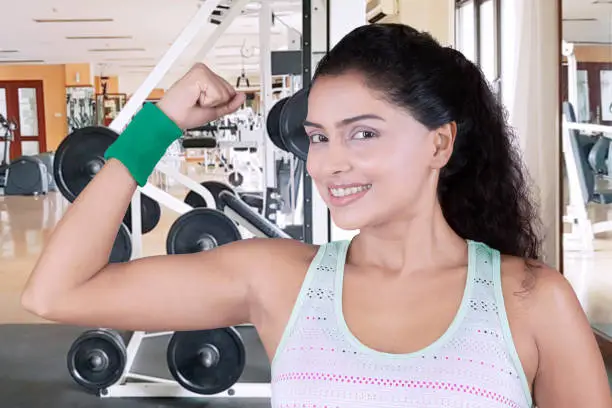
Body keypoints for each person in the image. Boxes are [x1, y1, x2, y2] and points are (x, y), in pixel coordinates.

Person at [22, 24, 610, 408]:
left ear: (439, 144)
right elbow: (56, 293)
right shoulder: (282, 280)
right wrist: (160, 122)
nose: (331, 163)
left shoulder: (532, 300)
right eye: (319, 138)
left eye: (364, 133)